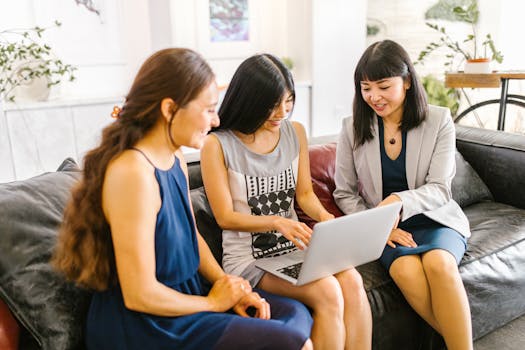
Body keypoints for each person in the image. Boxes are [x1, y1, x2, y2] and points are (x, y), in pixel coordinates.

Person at [52, 48, 314, 350]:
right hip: (148, 323)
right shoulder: (132, 173)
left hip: (187, 300)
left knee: (293, 314)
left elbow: (193, 238)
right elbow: (140, 294)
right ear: (169, 109)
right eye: (208, 109)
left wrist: (229, 286)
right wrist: (214, 304)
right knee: (293, 339)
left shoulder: (174, 155)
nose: (216, 120)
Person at [200, 53, 372, 350]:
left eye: (289, 101)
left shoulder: (295, 133)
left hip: (297, 247)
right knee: (329, 292)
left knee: (353, 281)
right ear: (249, 101)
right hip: (250, 258)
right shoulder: (217, 145)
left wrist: (327, 220)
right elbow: (225, 217)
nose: (282, 112)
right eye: (272, 104)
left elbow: (304, 195)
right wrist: (276, 221)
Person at [333, 40, 473, 350]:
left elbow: (440, 187)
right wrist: (378, 225)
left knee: (439, 265)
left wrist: (399, 201)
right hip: (385, 230)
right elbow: (343, 193)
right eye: (366, 88)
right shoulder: (351, 128)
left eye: (383, 86)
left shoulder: (439, 120)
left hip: (436, 218)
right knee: (408, 271)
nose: (373, 97)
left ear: (407, 81)